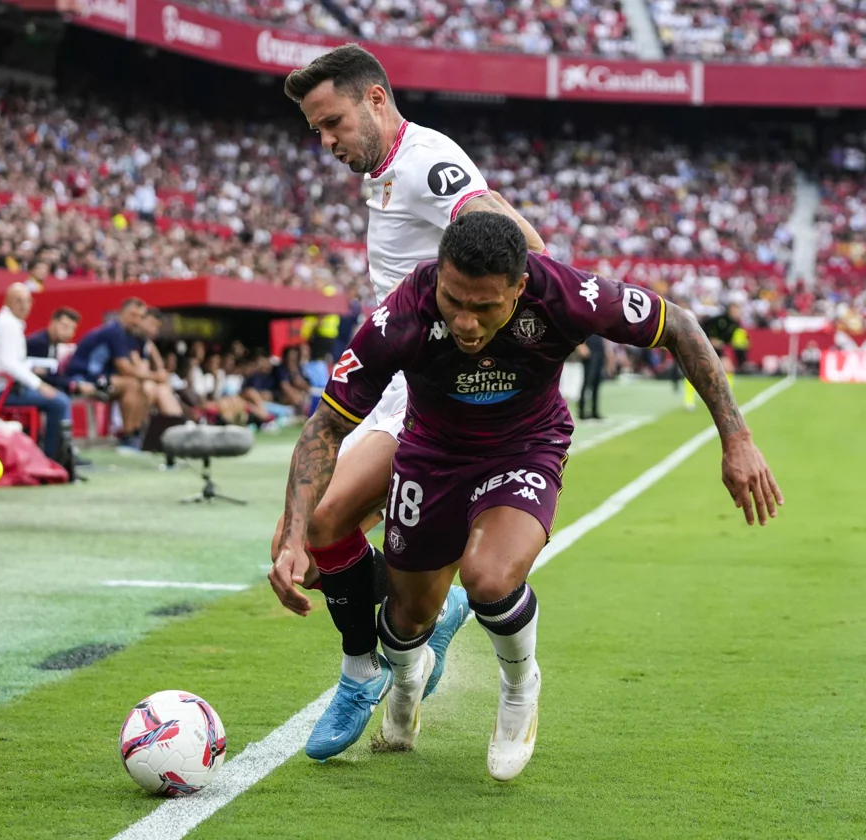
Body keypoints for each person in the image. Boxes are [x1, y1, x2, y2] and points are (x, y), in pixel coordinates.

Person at [276, 212, 783, 780]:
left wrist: (736, 437)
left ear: (520, 286)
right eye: (453, 300)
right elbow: (324, 429)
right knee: (405, 617)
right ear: (438, 274)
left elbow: (681, 327)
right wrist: (295, 538)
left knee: (488, 577)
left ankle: (519, 689)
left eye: (485, 307)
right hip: (430, 451)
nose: (466, 322)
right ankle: (409, 673)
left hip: (525, 447)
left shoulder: (567, 294)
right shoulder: (400, 315)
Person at [269, 42, 547, 761]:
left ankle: (378, 662)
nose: (326, 142)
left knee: (334, 521)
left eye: (331, 123)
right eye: (315, 131)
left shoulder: (428, 162)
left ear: (375, 99)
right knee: (327, 527)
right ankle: (389, 649)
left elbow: (522, 242)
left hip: (433, 392)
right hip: (397, 382)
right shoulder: (385, 170)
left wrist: (491, 347)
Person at [0, 284, 73, 461]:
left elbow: (14, 363)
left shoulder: (10, 322)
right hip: (0, 393)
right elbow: (9, 364)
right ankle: (52, 458)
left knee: (59, 397)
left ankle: (61, 453)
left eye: (28, 300)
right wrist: (39, 385)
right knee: (59, 401)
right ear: (7, 302)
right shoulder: (7, 325)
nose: (24, 305)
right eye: (18, 301)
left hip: (9, 388)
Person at [65, 298, 151, 450]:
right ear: (122, 313)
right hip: (83, 377)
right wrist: (156, 376)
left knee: (140, 385)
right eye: (133, 315)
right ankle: (127, 437)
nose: (136, 320)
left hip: (101, 378)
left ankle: (136, 434)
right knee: (131, 384)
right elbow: (125, 369)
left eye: (140, 316)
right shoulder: (114, 332)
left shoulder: (128, 335)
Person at [576, 333, 607, 420]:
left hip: (599, 350)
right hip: (590, 350)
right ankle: (582, 411)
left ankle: (594, 410)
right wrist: (581, 346)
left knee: (597, 382)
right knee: (587, 381)